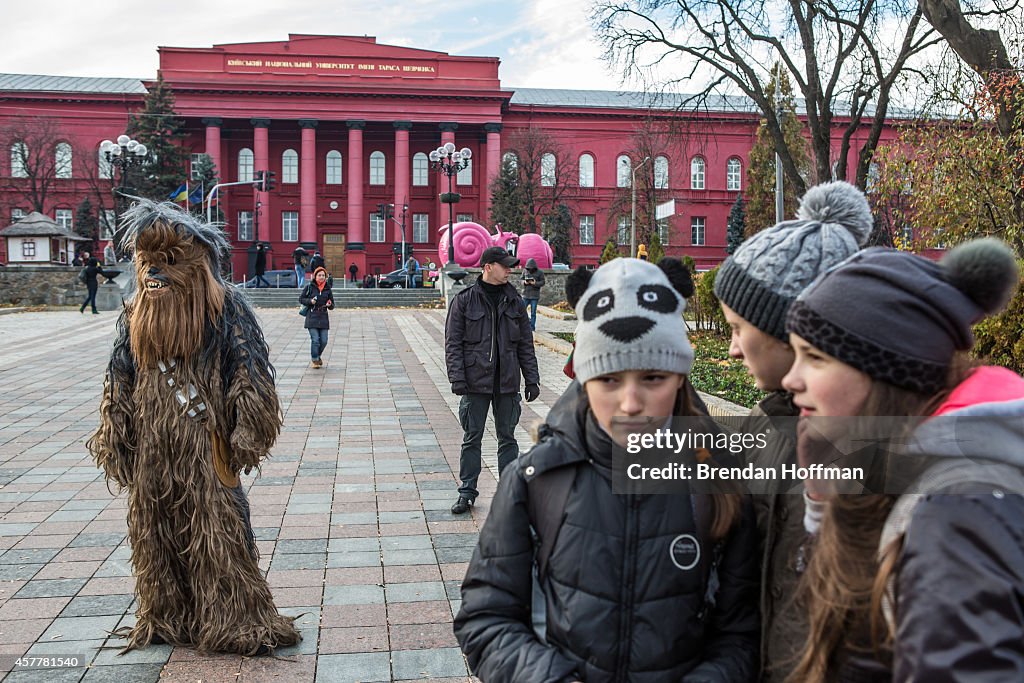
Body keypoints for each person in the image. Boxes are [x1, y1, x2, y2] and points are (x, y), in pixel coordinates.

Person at [454, 257, 760, 682]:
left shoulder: (720, 482)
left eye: (653, 377)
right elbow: (485, 616)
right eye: (610, 380)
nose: (631, 403)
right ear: (584, 380)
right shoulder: (535, 480)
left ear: (680, 379)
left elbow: (743, 632)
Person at [780, 238, 1024, 681]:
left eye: (814, 358)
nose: (790, 379)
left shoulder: (957, 512)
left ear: (884, 372)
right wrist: (821, 504)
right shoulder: (908, 473)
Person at [86, 200, 299, 654]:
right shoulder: (134, 316)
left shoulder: (227, 310)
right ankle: (168, 614)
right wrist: (116, 435)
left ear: (199, 264)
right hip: (152, 450)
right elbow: (119, 378)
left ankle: (235, 619)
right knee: (154, 534)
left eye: (169, 262)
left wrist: (247, 428)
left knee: (218, 535)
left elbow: (249, 373)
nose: (153, 274)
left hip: (206, 447)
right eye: (147, 262)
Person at [712, 181, 872, 682]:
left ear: (793, 336)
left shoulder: (866, 447)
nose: (733, 349)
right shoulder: (767, 421)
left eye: (739, 329)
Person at [445, 246, 540, 515]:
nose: (510, 269)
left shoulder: (515, 302)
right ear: (488, 267)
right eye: (505, 265)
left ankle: (509, 493)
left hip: (507, 382)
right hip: (475, 382)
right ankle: (467, 491)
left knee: (507, 438)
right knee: (472, 437)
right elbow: (453, 344)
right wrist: (457, 378)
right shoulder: (464, 301)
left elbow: (525, 344)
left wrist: (531, 379)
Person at [300, 267, 334, 369]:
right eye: (319, 275)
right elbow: (301, 299)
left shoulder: (328, 289)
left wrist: (330, 304)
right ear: (315, 276)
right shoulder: (309, 287)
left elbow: (332, 305)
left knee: (324, 341)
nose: (321, 277)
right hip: (312, 316)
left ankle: (317, 356)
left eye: (323, 275)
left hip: (323, 317)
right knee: (315, 340)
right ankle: (315, 359)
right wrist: (310, 301)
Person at [520, 258, 546, 331]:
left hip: (534, 296)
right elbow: (521, 279)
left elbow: (543, 282)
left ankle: (532, 327)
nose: (530, 269)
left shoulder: (540, 272)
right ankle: (524, 324)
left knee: (533, 313)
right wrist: (525, 282)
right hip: (525, 294)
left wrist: (535, 283)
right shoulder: (525, 271)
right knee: (522, 311)